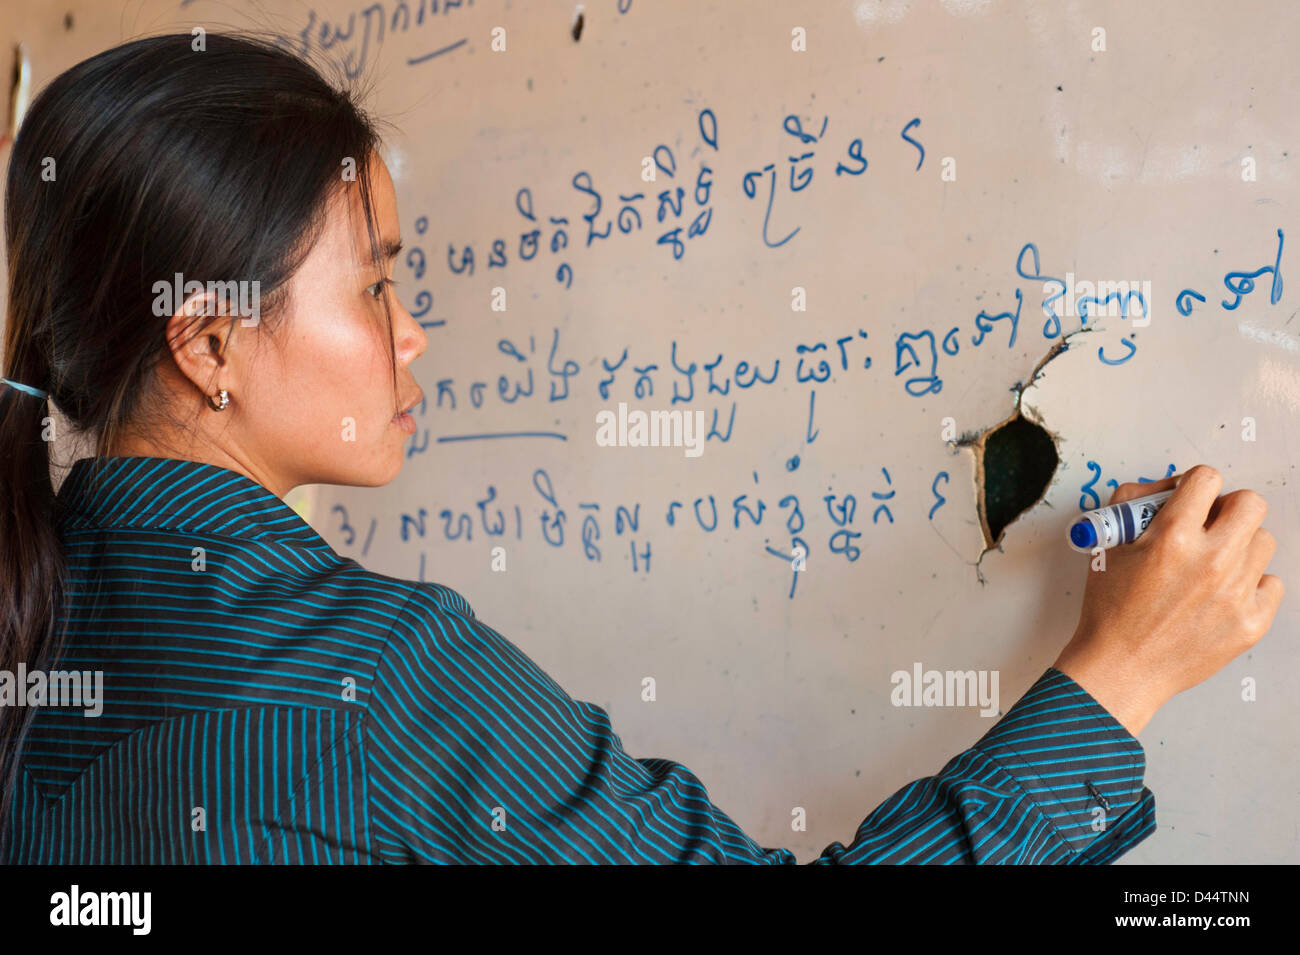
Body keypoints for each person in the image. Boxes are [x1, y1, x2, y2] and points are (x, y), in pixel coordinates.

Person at [0, 32, 1282, 865]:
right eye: (378, 287)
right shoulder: (378, 678)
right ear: (209, 345)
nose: (418, 336)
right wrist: (1117, 679)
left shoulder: (35, 610)